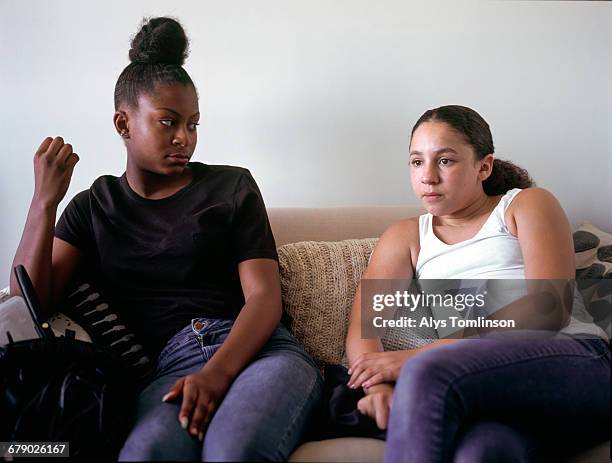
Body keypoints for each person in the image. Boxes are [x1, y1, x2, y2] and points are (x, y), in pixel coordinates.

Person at [9, 17, 322, 461]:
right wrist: (44, 202)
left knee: (235, 449)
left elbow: (264, 299)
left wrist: (215, 375)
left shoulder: (232, 187)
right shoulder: (93, 206)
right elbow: (29, 304)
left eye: (193, 124)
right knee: (145, 454)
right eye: (169, 122)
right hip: (168, 368)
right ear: (124, 123)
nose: (185, 138)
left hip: (258, 353)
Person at [345, 105, 610, 462]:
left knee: (427, 373)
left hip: (575, 363)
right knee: (482, 452)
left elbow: (550, 307)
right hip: (489, 391)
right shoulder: (406, 235)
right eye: (416, 162)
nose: (428, 177)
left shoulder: (525, 205)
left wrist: (418, 358)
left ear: (483, 166)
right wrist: (376, 386)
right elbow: (366, 326)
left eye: (445, 161)